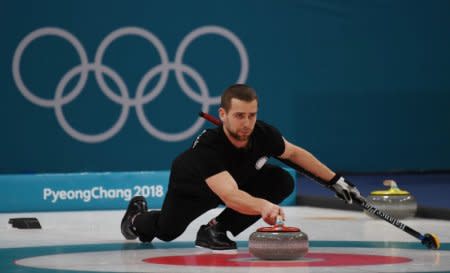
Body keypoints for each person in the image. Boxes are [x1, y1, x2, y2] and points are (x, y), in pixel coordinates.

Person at [121, 83, 361, 250]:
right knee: (166, 231)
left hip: (237, 180)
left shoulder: (263, 133)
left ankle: (215, 230)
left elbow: (295, 154)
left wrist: (335, 181)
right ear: (222, 114)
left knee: (282, 180)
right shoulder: (209, 146)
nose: (247, 123)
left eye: (252, 115)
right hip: (195, 189)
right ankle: (134, 219)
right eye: (239, 116)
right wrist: (262, 206)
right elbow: (230, 196)